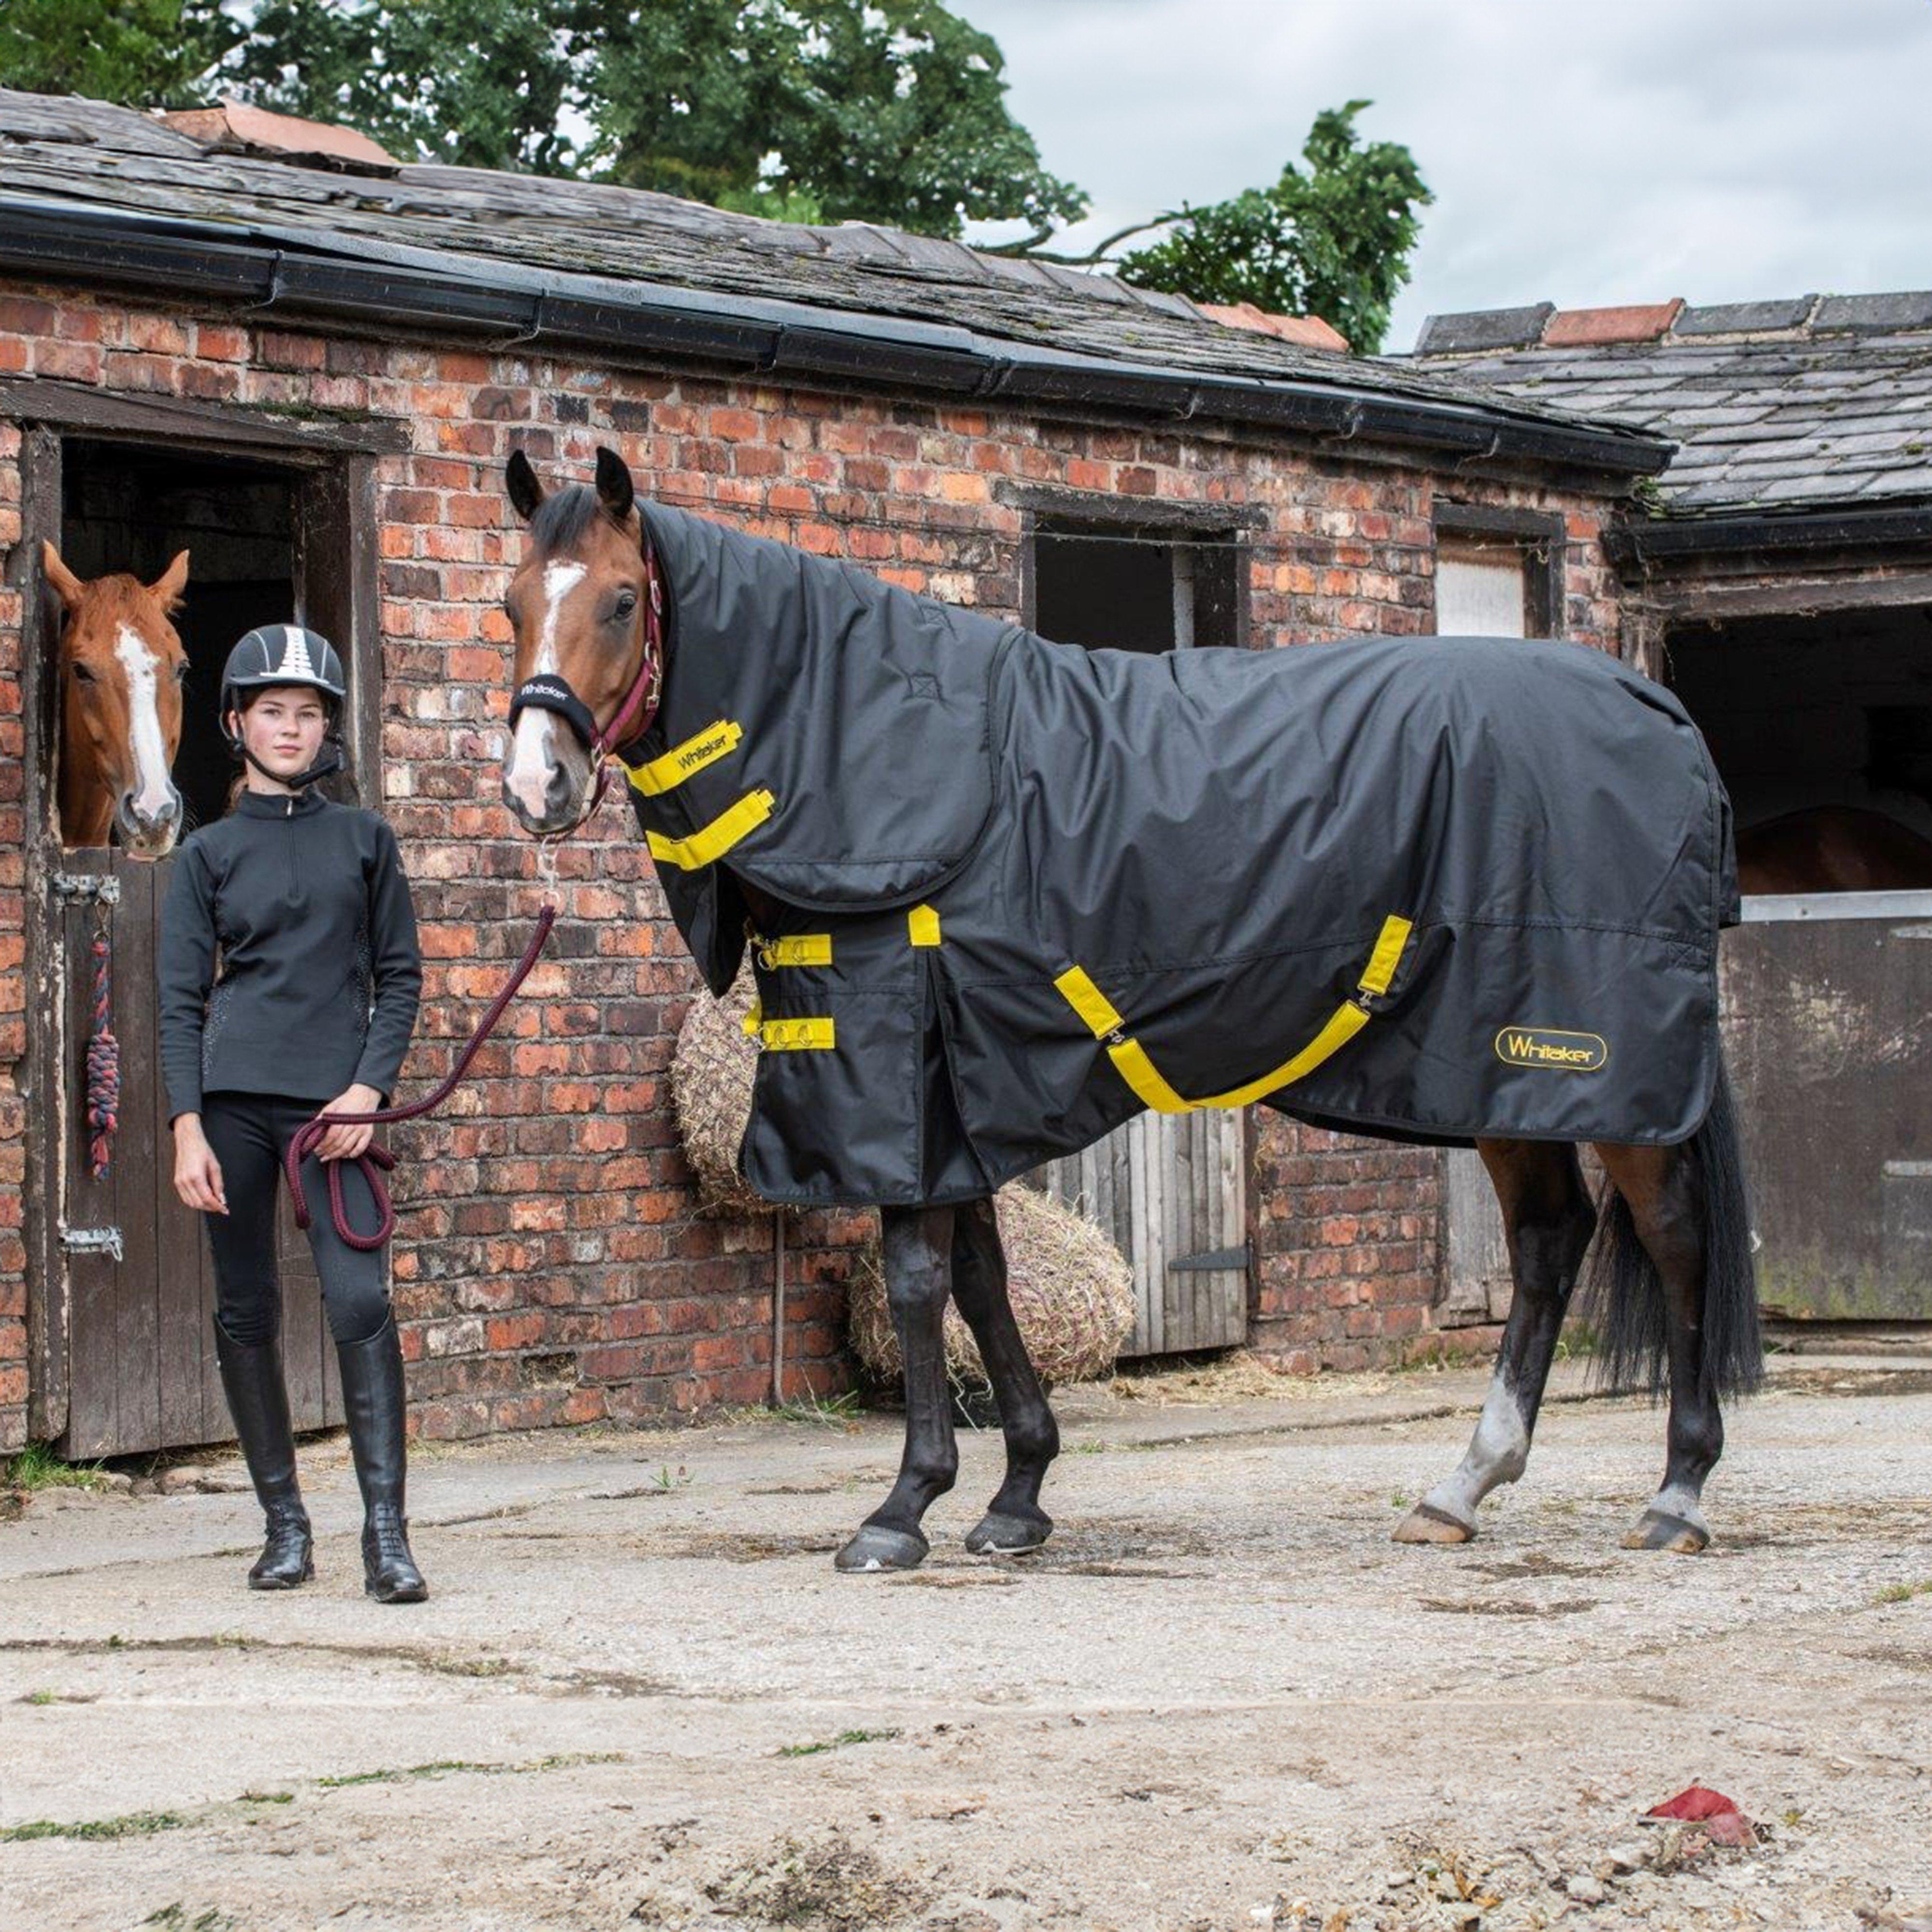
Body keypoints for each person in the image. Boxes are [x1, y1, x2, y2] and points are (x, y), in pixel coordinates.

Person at [158, 625, 427, 1603]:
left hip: (335, 1111)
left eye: (307, 713)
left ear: (328, 731)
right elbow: (180, 1000)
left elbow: (399, 977)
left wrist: (367, 1088)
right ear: (237, 722)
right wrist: (187, 1124)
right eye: (272, 710)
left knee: (359, 1301)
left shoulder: (366, 840)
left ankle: (386, 1538)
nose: (289, 727)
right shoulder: (207, 854)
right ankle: (284, 1523)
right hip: (232, 1103)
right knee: (246, 1307)